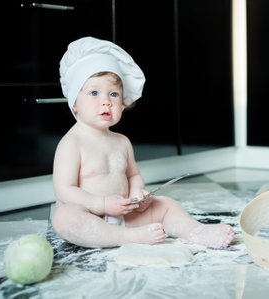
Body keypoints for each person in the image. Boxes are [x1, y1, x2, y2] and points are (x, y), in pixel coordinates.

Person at [51, 37, 234, 249]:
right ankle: (127, 237)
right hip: (91, 216)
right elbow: (64, 190)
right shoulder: (72, 143)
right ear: (74, 102)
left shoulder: (122, 142)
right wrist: (101, 204)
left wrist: (138, 195)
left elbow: (133, 176)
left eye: (114, 94)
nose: (106, 101)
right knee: (63, 218)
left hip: (125, 215)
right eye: (94, 93)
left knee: (166, 205)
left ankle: (195, 231)